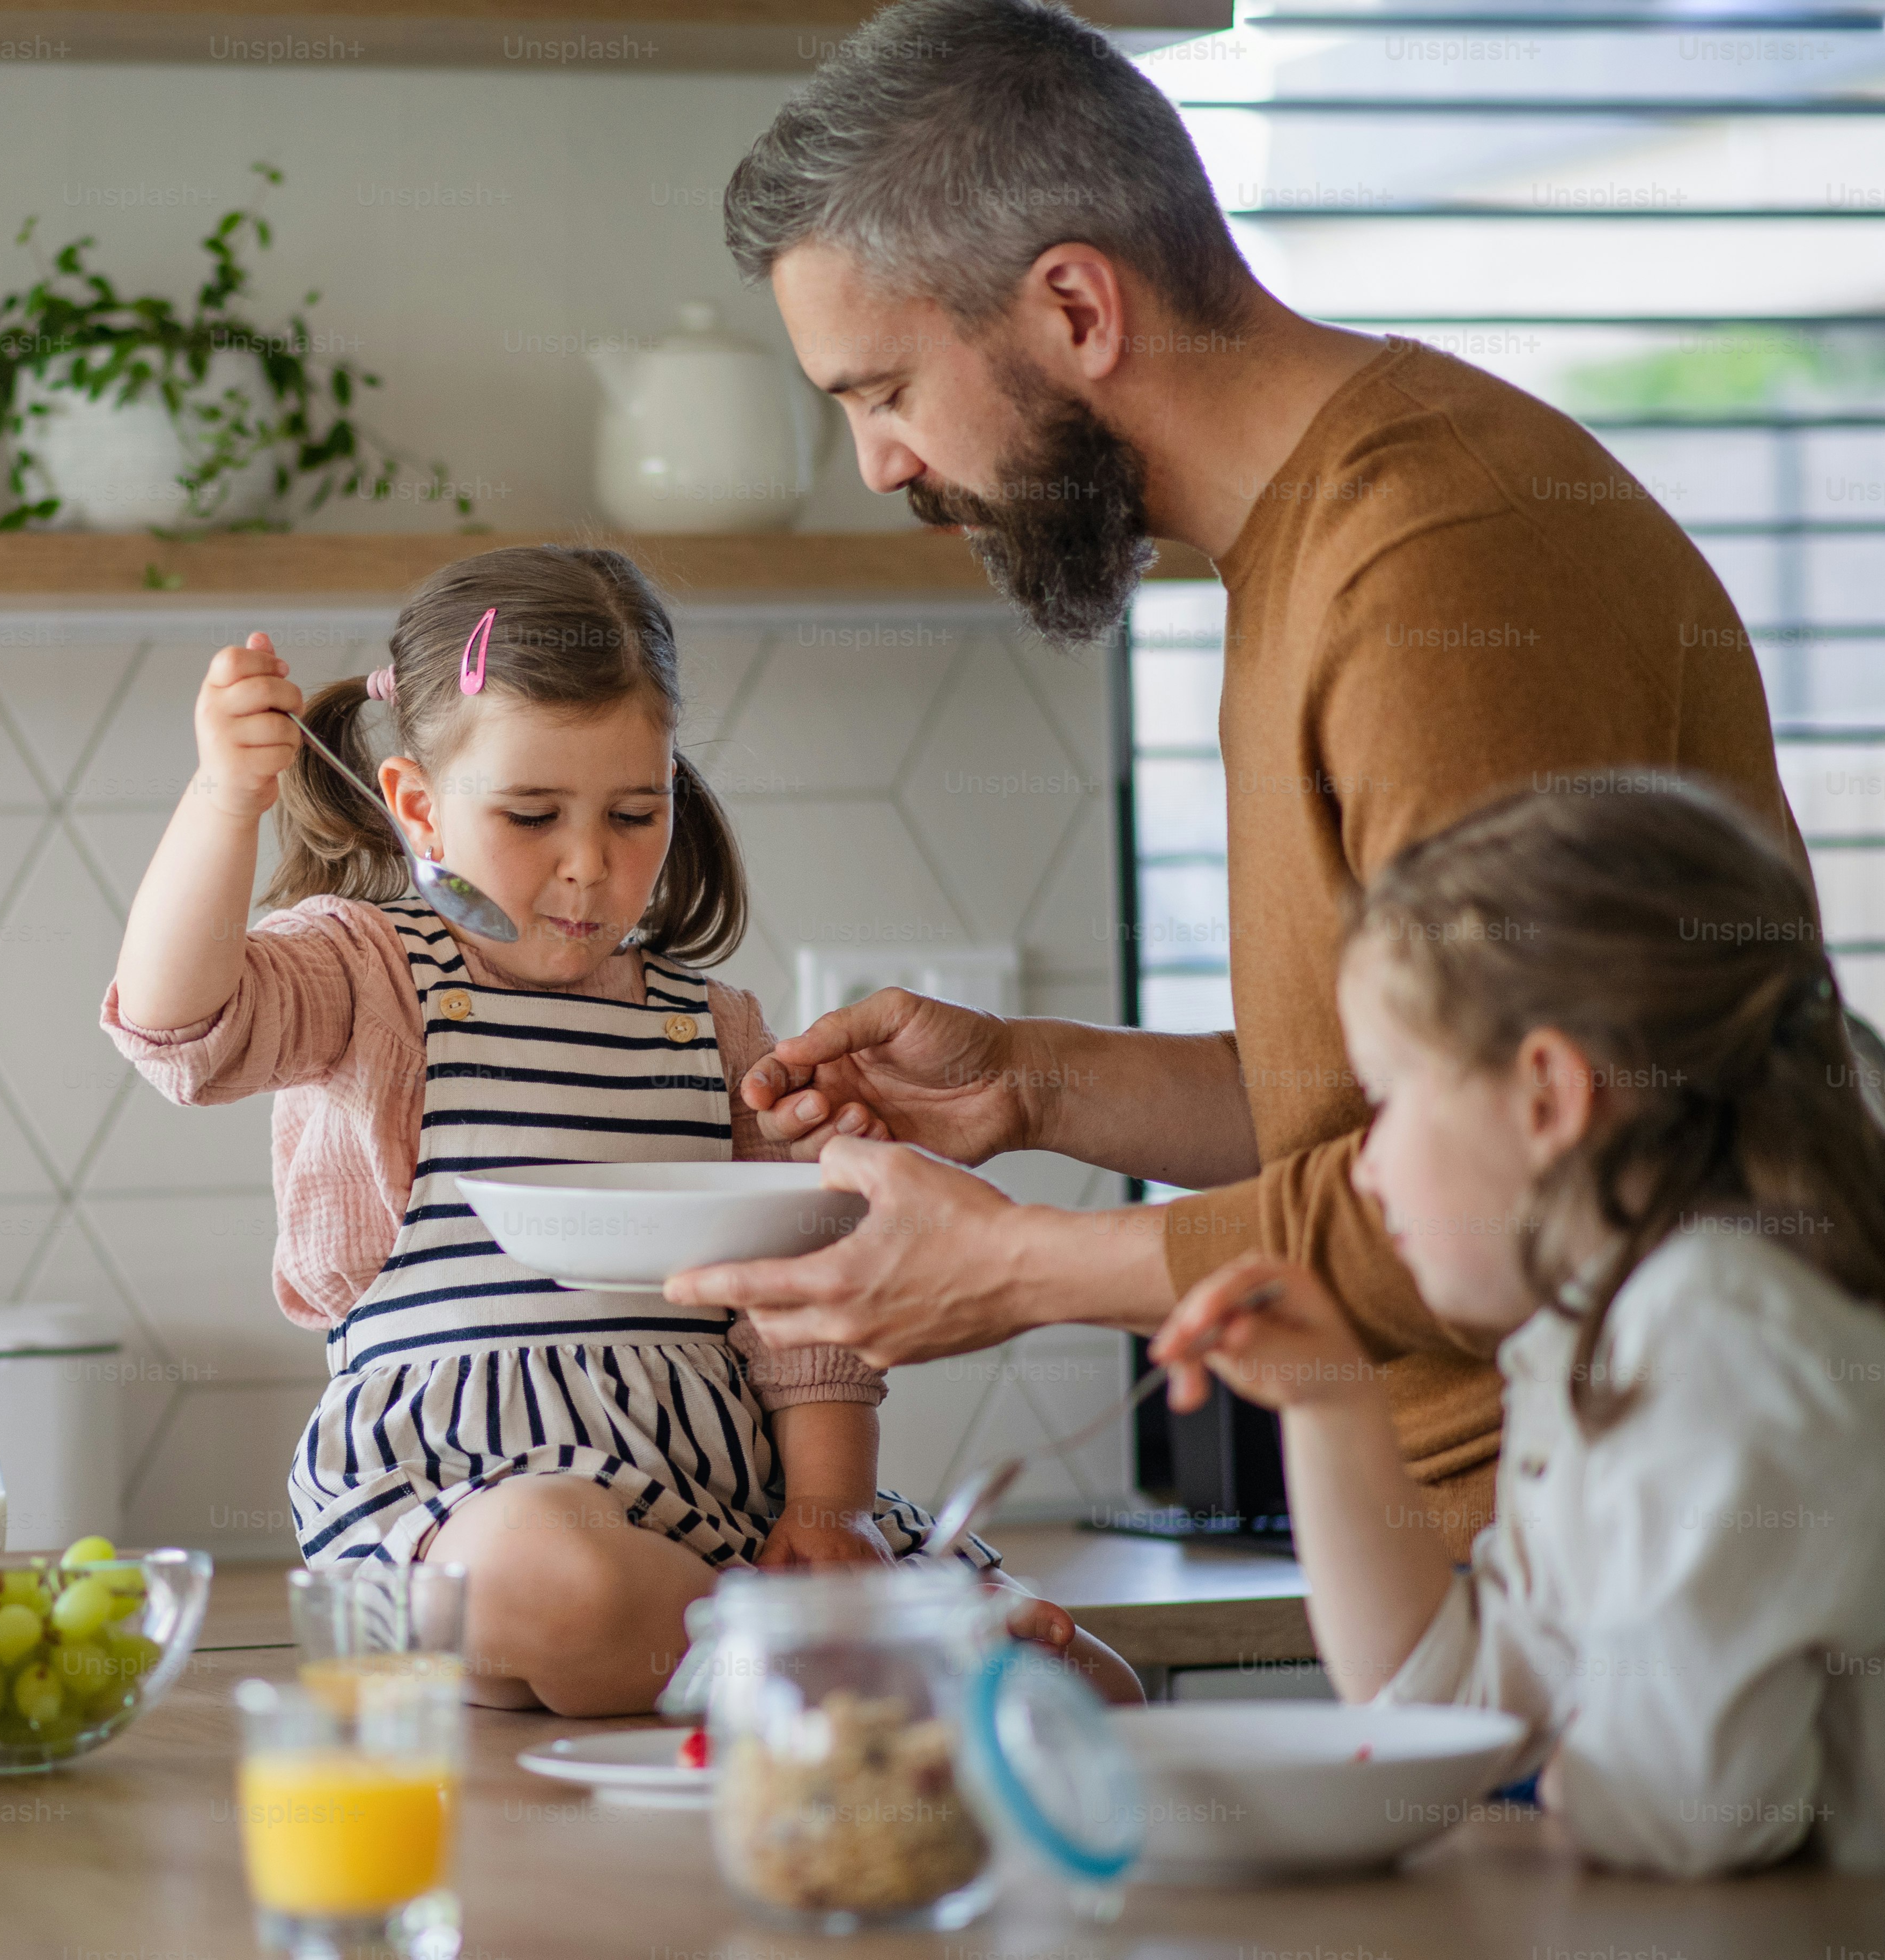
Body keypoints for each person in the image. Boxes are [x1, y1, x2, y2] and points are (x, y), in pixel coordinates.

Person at [675, 0, 1799, 1550]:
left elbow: (1536, 1172)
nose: (879, 465)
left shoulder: (1436, 568)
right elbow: (1367, 1118)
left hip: (1645, 1573)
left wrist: (1016, 1271)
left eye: (879, 392)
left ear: (1073, 308)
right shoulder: (1303, 547)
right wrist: (1031, 1084)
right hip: (1513, 1557)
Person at [101, 544, 1134, 1715]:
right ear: (418, 809)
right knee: (564, 1580)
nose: (588, 866)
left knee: (1096, 1689)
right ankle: (839, 1671)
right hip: (469, 1509)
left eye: (634, 813)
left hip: (722, 1507)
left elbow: (807, 1299)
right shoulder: (373, 976)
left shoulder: (712, 1025)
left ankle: (792, 1659)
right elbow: (178, 1028)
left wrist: (825, 1515)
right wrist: (221, 801)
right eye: (532, 814)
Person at [1152, 778, 1885, 1875]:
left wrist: (1557, 1767)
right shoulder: (1591, 1335)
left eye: (1386, 1096)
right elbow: (1449, 1704)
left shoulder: (1715, 1335)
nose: (1364, 1160)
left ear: (1545, 1095)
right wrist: (1330, 1401)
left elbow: (1679, 1815)